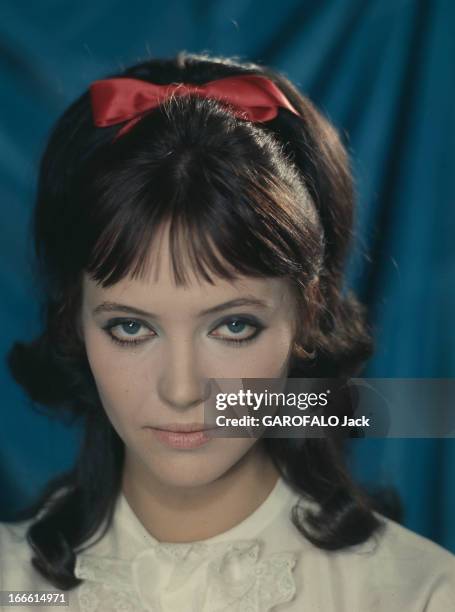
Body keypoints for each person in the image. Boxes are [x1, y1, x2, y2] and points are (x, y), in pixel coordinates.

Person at [1, 51, 454, 612]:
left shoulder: (423, 595)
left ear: (308, 314)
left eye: (233, 326)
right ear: (74, 321)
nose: (184, 389)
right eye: (130, 327)